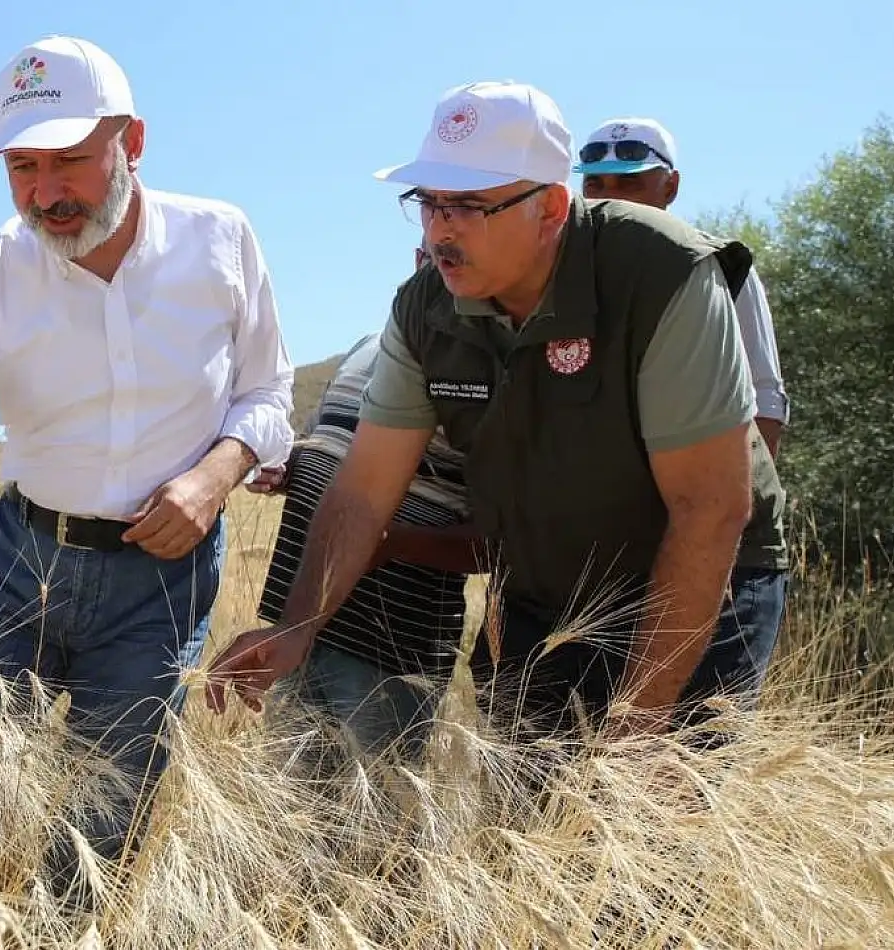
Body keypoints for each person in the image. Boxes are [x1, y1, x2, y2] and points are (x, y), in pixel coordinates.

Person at [0, 34, 294, 903]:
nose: (45, 193)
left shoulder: (221, 241)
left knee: (98, 838)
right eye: (22, 167)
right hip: (18, 567)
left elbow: (267, 395)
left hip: (163, 585)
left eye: (69, 161)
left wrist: (216, 476)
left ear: (132, 143)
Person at [207, 80, 789, 749]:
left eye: (468, 205)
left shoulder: (661, 272)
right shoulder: (424, 310)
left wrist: (638, 722)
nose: (440, 228)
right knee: (533, 813)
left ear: (551, 209)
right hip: (546, 589)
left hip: (697, 578)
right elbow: (363, 492)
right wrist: (296, 625)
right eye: (428, 202)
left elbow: (709, 510)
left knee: (656, 819)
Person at [246, 244, 483, 766]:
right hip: (294, 622)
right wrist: (291, 471)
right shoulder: (364, 348)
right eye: (428, 256)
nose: (436, 270)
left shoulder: (483, 375)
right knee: (291, 817)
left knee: (373, 820)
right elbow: (332, 453)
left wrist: (390, 543)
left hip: (388, 642)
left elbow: (496, 542)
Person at [575, 116, 790, 456]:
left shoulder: (717, 267)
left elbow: (763, 396)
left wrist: (748, 501)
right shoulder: (562, 273)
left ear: (670, 187)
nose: (609, 198)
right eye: (595, 184)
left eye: (629, 183)